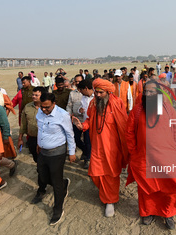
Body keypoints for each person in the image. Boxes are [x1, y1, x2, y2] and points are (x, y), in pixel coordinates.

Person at [126, 80, 176, 230]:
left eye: (152, 92)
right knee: (146, 187)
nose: (148, 94)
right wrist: (133, 151)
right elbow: (129, 133)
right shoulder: (137, 110)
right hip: (144, 157)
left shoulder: (168, 108)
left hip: (167, 156)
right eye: (146, 92)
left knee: (170, 185)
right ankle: (147, 212)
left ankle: (168, 213)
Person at [72, 78, 128, 217]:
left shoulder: (116, 103)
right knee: (95, 174)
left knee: (111, 174)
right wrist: (82, 126)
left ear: (108, 92)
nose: (97, 95)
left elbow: (123, 125)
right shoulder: (93, 103)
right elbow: (90, 120)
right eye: (96, 92)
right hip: (97, 146)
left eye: (100, 92)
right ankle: (105, 193)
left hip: (112, 147)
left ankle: (110, 200)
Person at [31, 92, 76, 226]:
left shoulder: (62, 115)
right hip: (43, 151)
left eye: (47, 107)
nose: (44, 110)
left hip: (57, 153)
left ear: (54, 104)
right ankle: (64, 184)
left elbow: (69, 133)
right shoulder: (40, 112)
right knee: (42, 175)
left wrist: (72, 152)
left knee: (55, 182)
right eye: (41, 107)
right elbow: (41, 129)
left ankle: (58, 209)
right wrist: (39, 143)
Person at [18, 86, 45, 163]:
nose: (33, 96)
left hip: (44, 139)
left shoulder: (46, 108)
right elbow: (23, 124)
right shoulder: (27, 107)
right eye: (33, 95)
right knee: (36, 158)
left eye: (36, 95)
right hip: (32, 139)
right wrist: (20, 139)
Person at [76, 80, 94, 169]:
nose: (81, 92)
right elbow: (80, 107)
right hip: (86, 124)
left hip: (96, 125)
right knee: (87, 142)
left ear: (86, 88)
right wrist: (80, 110)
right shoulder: (83, 98)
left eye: (81, 90)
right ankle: (88, 159)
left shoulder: (96, 97)